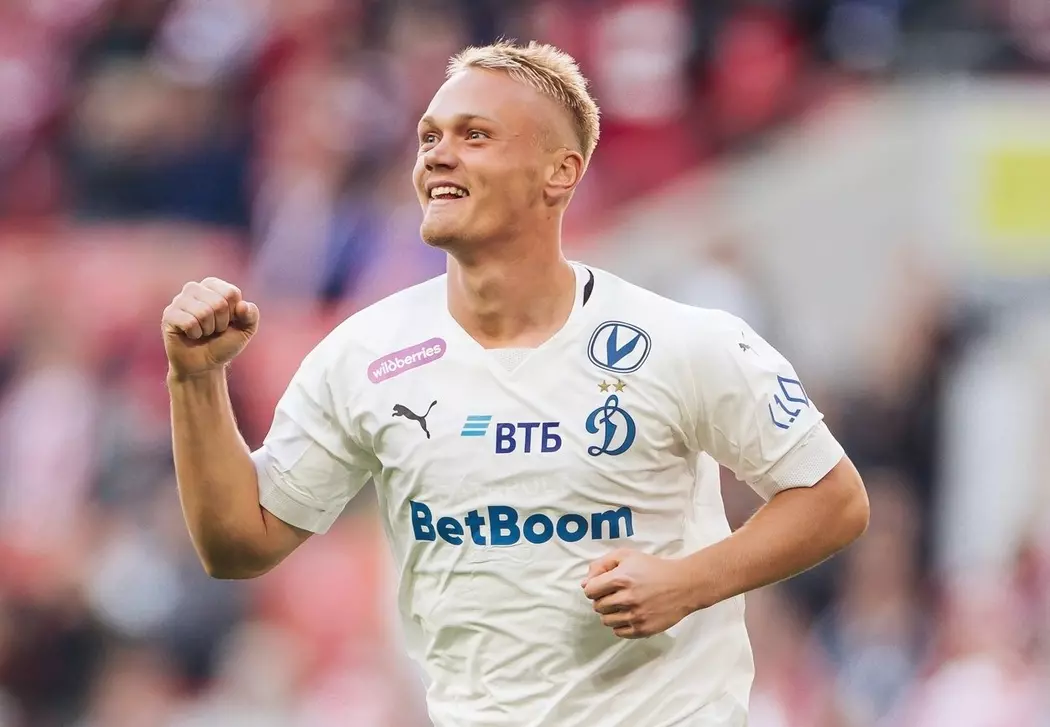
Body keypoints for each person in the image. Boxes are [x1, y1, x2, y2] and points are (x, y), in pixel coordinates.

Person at [162, 40, 869, 727]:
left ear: (559, 172)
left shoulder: (677, 342)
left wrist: (690, 583)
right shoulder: (364, 355)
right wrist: (195, 380)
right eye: (429, 136)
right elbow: (240, 544)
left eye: (475, 135)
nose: (438, 154)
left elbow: (834, 499)